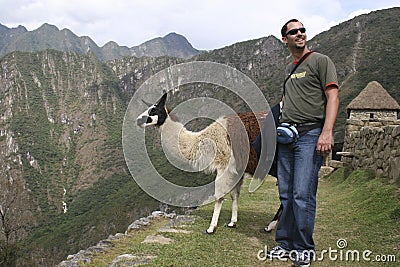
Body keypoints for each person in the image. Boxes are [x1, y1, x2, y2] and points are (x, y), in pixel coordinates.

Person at [266, 19, 339, 267]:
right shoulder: (290, 69)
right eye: (293, 32)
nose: (300, 34)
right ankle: (285, 244)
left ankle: (304, 248)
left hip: (310, 135)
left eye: (302, 30)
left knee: (302, 194)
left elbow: (332, 96)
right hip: (287, 137)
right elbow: (286, 102)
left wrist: (326, 132)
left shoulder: (320, 61)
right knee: (286, 193)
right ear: (285, 39)